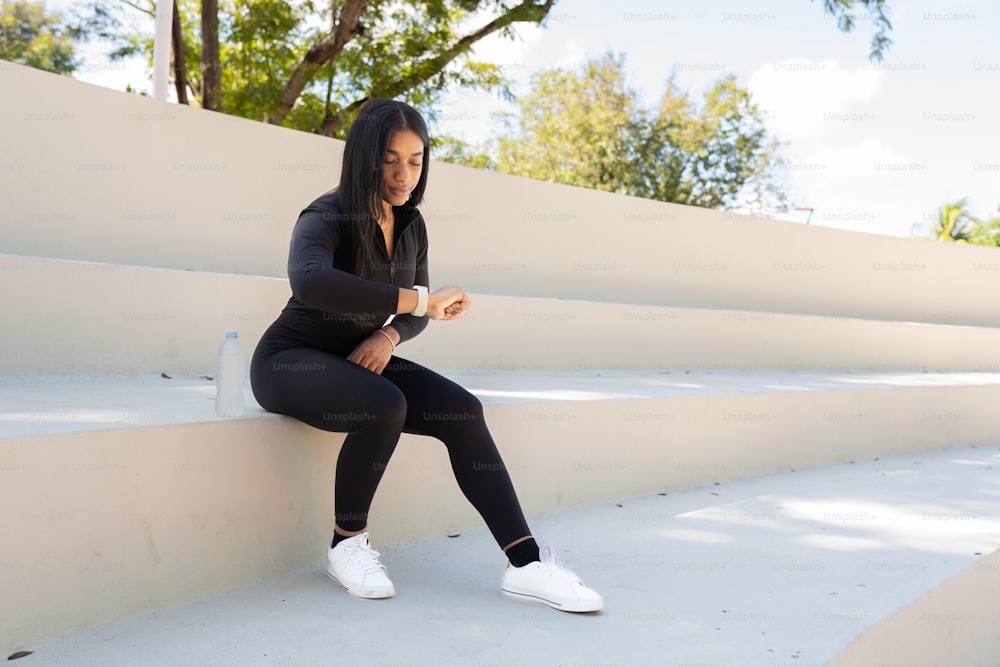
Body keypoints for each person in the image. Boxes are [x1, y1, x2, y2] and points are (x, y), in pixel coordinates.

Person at [250, 98, 602, 613]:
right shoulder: (326, 214)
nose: (403, 174)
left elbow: (420, 310)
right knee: (384, 403)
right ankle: (346, 544)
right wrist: (416, 303)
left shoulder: (412, 225)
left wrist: (389, 336)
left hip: (359, 358)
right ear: (363, 158)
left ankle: (525, 563)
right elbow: (310, 281)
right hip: (289, 362)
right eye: (390, 159)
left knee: (462, 410)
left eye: (415, 161)